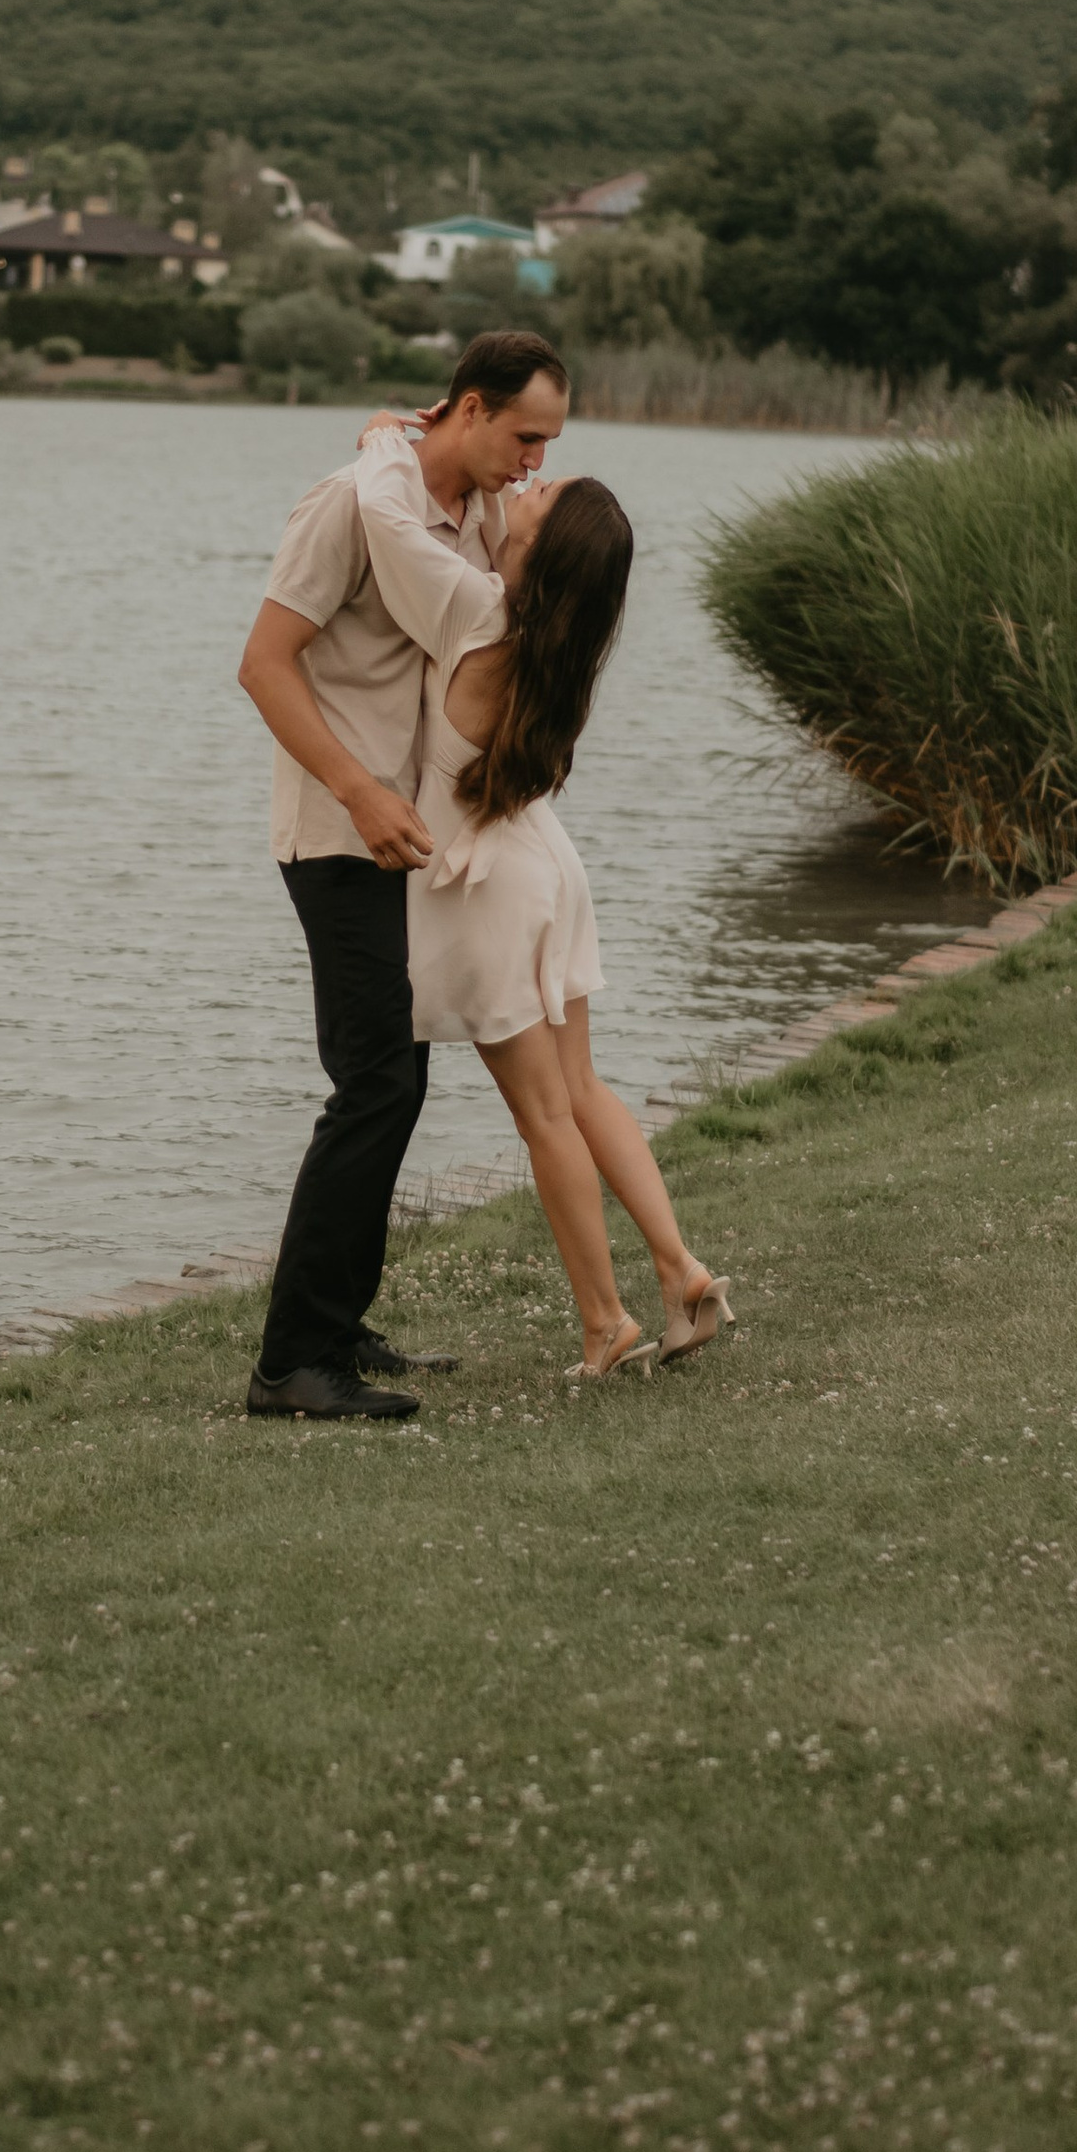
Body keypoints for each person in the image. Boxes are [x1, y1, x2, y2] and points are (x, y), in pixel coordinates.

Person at [234, 327, 571, 1422]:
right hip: (339, 835)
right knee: (374, 1083)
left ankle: (338, 1325)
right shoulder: (345, 504)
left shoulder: (473, 508)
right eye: (524, 436)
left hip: (408, 837)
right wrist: (356, 790)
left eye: (548, 445)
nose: (533, 462)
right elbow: (263, 665)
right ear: (467, 407)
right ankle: (291, 1365)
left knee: (397, 1079)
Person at [353, 430, 730, 1384]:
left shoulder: (481, 613)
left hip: (497, 891)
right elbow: (465, 532)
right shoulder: (549, 640)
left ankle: (605, 1323)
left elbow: (391, 529)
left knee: (545, 1117)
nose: (531, 480)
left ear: (545, 546)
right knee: (583, 1090)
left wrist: (379, 451)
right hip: (546, 864)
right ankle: (681, 1271)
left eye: (545, 486)